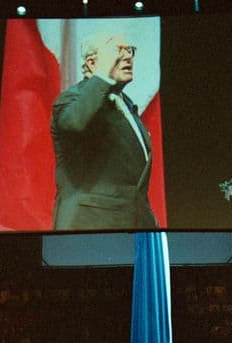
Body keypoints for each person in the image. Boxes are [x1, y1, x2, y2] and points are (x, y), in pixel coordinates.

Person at [51, 31, 157, 231]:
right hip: (90, 227)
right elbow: (74, 123)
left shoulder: (126, 106)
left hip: (132, 229)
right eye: (117, 51)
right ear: (92, 64)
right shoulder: (72, 99)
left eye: (129, 50)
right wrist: (102, 76)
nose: (127, 56)